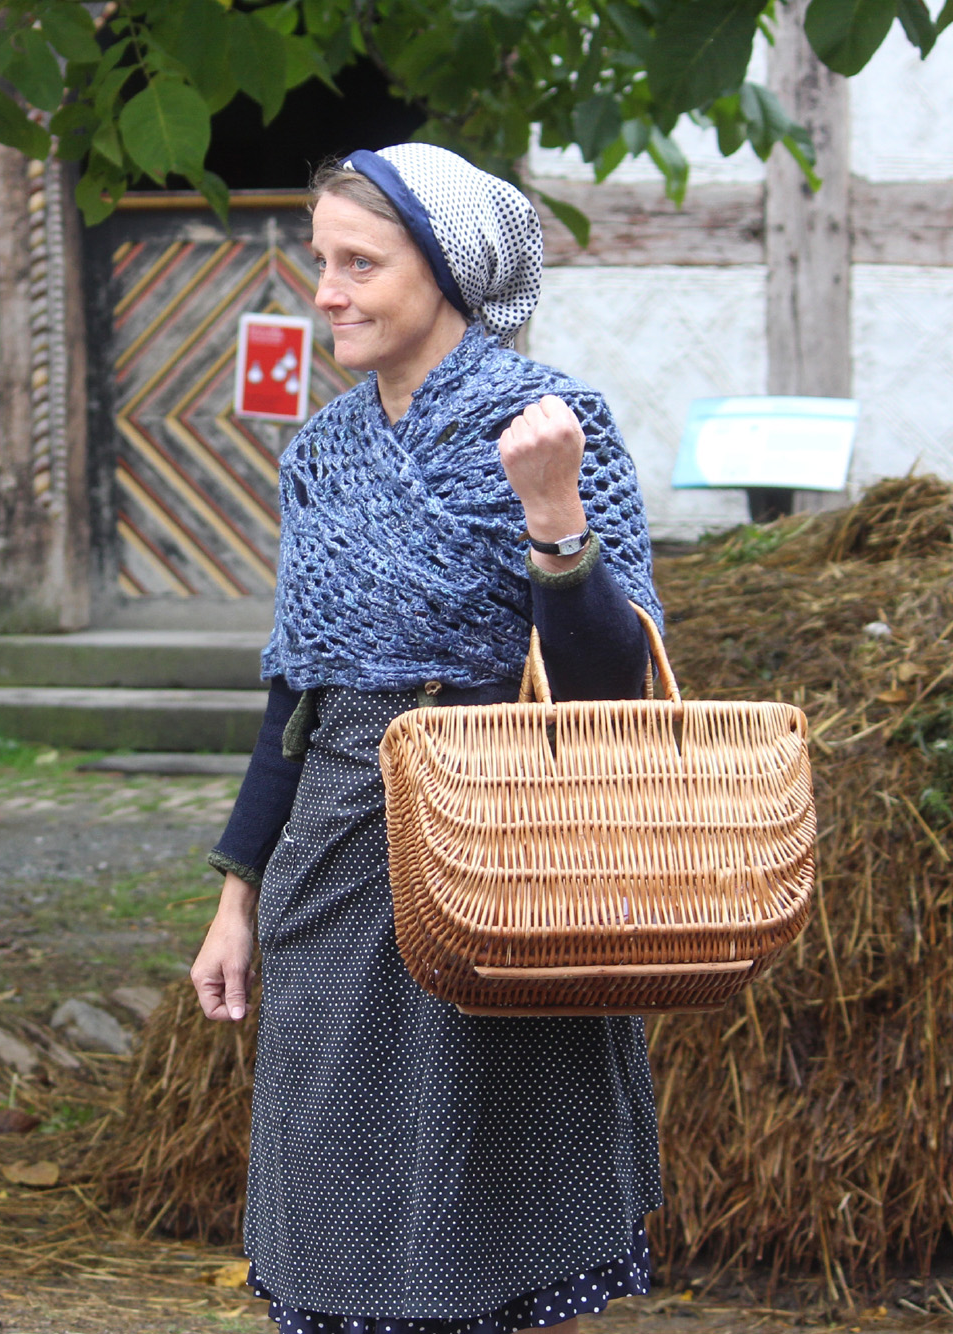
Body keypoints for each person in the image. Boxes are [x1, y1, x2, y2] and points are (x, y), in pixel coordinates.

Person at [188, 142, 665, 1334]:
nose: (326, 291)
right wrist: (236, 891)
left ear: (447, 272)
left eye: (360, 262)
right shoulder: (323, 457)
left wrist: (553, 517)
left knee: (491, 1200)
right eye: (319, 262)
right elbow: (293, 691)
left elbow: (614, 687)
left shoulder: (555, 424)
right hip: (338, 862)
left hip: (505, 846)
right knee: (334, 1180)